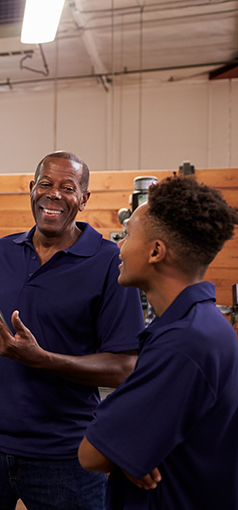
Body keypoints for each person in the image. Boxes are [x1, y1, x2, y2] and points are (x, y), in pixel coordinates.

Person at [0, 151, 144, 510]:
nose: (54, 194)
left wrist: (43, 360)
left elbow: (123, 368)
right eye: (46, 184)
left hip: (65, 455)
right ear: (31, 190)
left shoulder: (109, 264)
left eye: (67, 187)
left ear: (84, 199)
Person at [75, 175, 238, 509]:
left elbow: (91, 454)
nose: (119, 247)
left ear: (155, 251)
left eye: (129, 235)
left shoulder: (183, 344)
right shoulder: (206, 327)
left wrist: (125, 448)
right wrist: (133, 448)